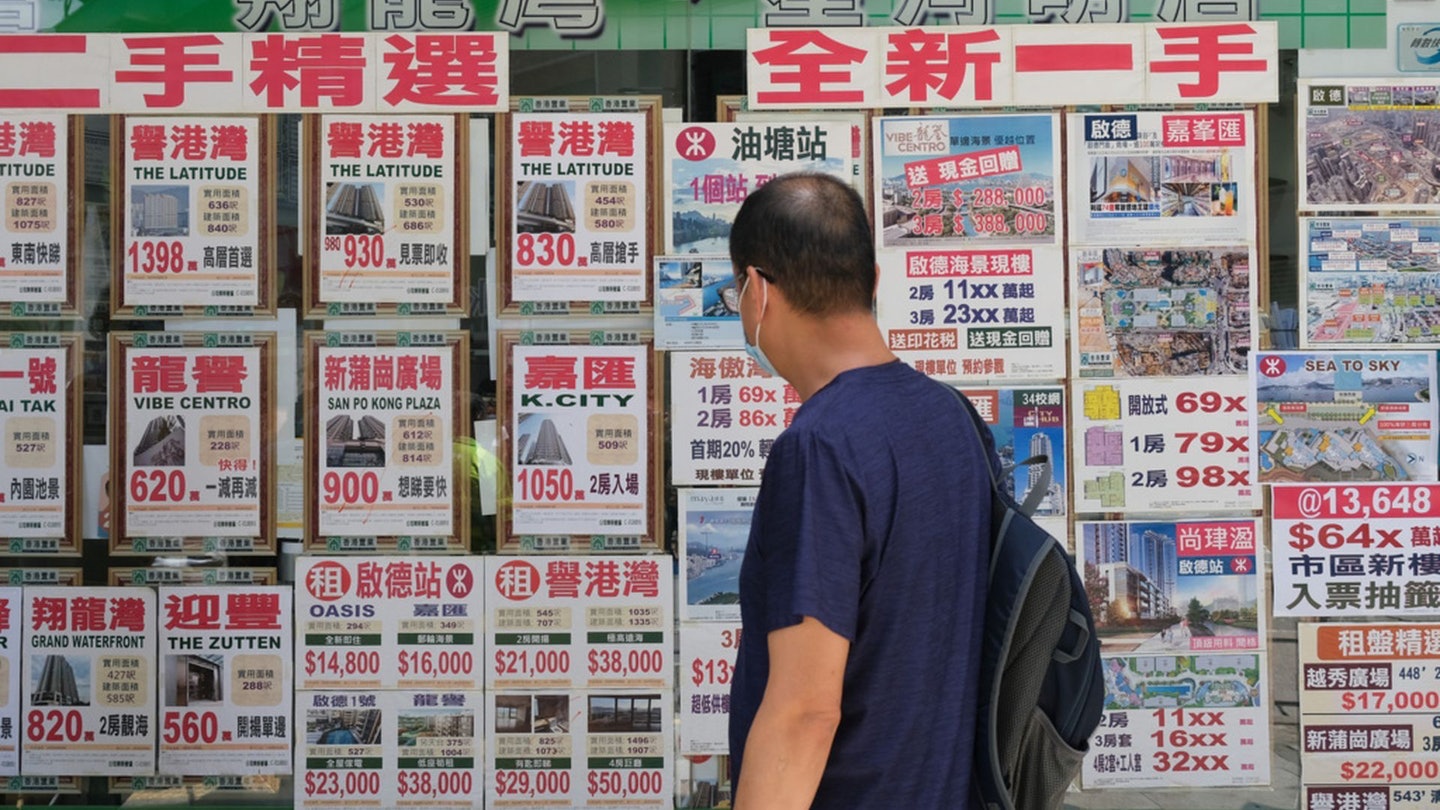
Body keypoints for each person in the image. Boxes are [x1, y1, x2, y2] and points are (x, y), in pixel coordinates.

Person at [726, 173, 995, 809]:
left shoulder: (819, 447)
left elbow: (804, 712)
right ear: (872, 281)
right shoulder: (952, 416)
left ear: (756, 292)